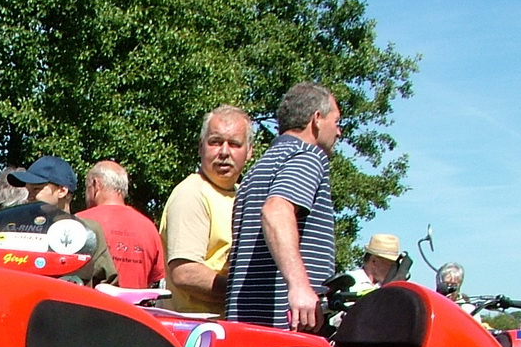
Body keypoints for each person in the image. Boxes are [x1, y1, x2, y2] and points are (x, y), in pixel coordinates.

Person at [225, 83, 341, 331]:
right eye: (337, 122)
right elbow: (276, 209)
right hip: (287, 333)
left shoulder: (258, 169)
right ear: (317, 119)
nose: (339, 132)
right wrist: (299, 285)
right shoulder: (307, 156)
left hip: (248, 326)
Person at [158, 105, 254, 313]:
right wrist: (245, 293)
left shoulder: (243, 195)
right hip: (198, 333)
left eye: (235, 144)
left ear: (249, 152)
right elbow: (185, 272)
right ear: (201, 147)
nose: (224, 152)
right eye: (215, 142)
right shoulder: (192, 193)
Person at [5, 157, 118, 286]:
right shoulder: (18, 229)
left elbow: (108, 285)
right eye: (28, 190)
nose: (29, 197)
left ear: (62, 191)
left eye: (37, 189)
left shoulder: (87, 231)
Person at [76, 160, 164, 289]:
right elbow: (154, 279)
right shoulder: (149, 228)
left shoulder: (79, 223)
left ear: (96, 184)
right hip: (131, 308)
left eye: (87, 187)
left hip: (91, 306)